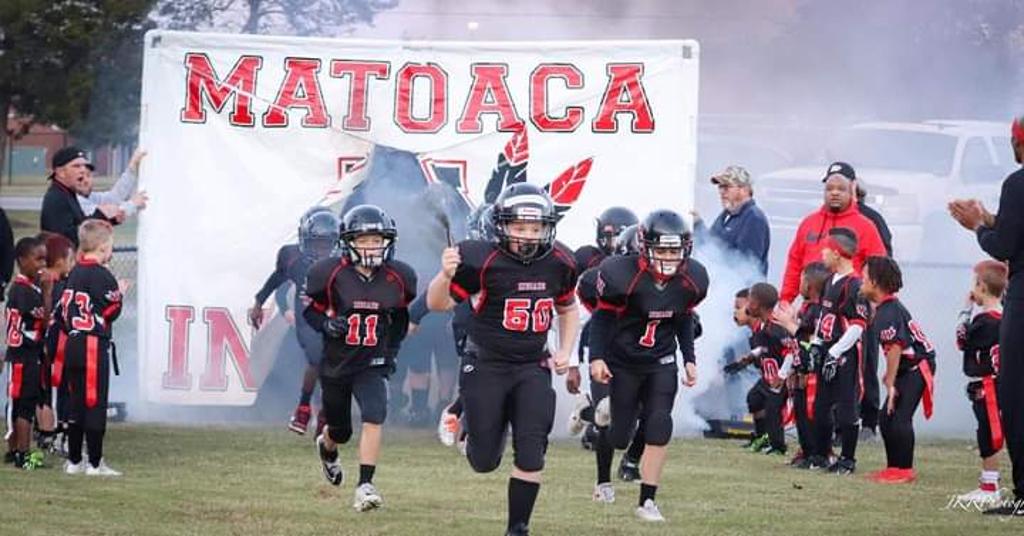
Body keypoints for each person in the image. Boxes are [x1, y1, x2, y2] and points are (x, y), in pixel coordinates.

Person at [426, 183, 579, 536]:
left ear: (547, 227)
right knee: (484, 461)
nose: (528, 235)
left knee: (532, 450)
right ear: (502, 226)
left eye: (535, 228)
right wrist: (444, 274)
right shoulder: (481, 259)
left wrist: (565, 351)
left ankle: (517, 529)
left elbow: (567, 307)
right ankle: (469, 430)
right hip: (486, 366)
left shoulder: (560, 261)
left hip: (532, 366)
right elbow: (439, 304)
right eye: (520, 227)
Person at [589, 209, 706, 523]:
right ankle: (602, 481)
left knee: (659, 426)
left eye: (674, 250)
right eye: (662, 249)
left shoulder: (692, 279)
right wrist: (596, 357)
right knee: (619, 436)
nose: (669, 257)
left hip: (661, 361)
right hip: (624, 362)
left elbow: (683, 318)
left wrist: (689, 359)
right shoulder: (620, 275)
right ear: (645, 246)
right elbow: (601, 320)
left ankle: (647, 501)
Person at [305, 204, 416, 512]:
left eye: (377, 239)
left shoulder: (399, 277)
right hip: (337, 364)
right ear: (348, 241)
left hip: (372, 362)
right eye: (364, 240)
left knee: (374, 414)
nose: (371, 246)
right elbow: (310, 312)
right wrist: (327, 324)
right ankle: (327, 447)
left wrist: (390, 353)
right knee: (341, 431)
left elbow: (400, 320)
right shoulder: (330, 273)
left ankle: (365, 485)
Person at [949, 115, 1024, 516]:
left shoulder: (1017, 182)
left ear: (1017, 143)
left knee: (1014, 396)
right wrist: (993, 219)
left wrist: (978, 227)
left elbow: (1007, 245)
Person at [249, 207, 340, 436]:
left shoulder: (343, 261)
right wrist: (259, 302)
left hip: (334, 317)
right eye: (316, 244)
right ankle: (304, 406)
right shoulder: (291, 256)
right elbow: (277, 279)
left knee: (335, 367)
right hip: (307, 318)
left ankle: (323, 415)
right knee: (318, 357)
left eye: (326, 244)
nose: (321, 250)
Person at [860, 256, 935, 484]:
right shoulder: (886, 308)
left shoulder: (888, 311)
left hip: (916, 367)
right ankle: (893, 467)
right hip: (906, 368)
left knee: (901, 417)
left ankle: (905, 470)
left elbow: (895, 347)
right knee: (886, 417)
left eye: (863, 279)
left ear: (874, 282)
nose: (860, 283)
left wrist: (890, 381)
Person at [805, 227, 871, 474]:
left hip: (845, 355)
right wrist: (817, 346)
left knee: (846, 406)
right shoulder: (828, 282)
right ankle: (822, 455)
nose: (821, 253)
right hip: (828, 350)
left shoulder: (854, 285)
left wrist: (836, 352)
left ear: (837, 253)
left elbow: (858, 324)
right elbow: (824, 319)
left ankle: (848, 459)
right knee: (821, 407)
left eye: (825, 249)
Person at [61, 220, 124, 476]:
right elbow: (111, 311)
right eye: (109, 247)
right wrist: (120, 293)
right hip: (92, 345)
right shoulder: (102, 275)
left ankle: (74, 460)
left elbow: (65, 312)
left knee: (76, 403)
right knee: (94, 403)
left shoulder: (74, 272)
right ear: (101, 247)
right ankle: (95, 463)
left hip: (72, 343)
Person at [779, 162, 887, 304]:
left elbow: (880, 269)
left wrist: (880, 305)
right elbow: (794, 264)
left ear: (851, 191)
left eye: (841, 189)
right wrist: (785, 300)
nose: (834, 193)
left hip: (848, 304)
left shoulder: (866, 226)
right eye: (829, 189)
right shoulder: (808, 223)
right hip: (812, 304)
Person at [724, 283, 796, 456]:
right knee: (755, 399)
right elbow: (764, 348)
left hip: (781, 377)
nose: (746, 308)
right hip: (770, 377)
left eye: (748, 303)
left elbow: (791, 350)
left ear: (756, 304)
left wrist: (782, 374)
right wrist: (749, 358)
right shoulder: (763, 327)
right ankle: (764, 436)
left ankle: (777, 445)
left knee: (773, 409)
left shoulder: (776, 327)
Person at [956, 261, 1007, 501]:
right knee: (990, 431)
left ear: (982, 287)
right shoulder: (1006, 317)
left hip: (987, 385)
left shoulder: (984, 321)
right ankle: (990, 481)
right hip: (1000, 383)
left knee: (988, 433)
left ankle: (990, 486)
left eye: (974, 285)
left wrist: (966, 308)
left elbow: (961, 339)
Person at [773, 262, 830, 468]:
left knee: (812, 414)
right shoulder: (805, 308)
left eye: (802, 279)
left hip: (812, 372)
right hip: (799, 370)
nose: (799, 283)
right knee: (800, 414)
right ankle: (806, 453)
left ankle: (819, 454)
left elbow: (810, 337)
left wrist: (789, 323)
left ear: (811, 285)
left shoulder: (819, 311)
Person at [3, 237, 50, 469]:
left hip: (24, 355)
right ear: (22, 261)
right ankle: (23, 454)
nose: (43, 263)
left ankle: (15, 451)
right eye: (38, 258)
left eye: (45, 258)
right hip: (24, 356)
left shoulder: (26, 289)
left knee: (20, 404)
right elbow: (46, 319)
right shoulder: (24, 292)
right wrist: (48, 291)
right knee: (24, 406)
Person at [694, 165, 771, 276]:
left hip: (740, 290)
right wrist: (698, 225)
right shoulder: (726, 215)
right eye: (720, 187)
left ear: (744, 189)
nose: (721, 192)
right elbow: (711, 246)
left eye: (727, 187)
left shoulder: (754, 218)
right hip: (722, 287)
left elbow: (746, 265)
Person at [40, 147, 120, 246]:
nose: (83, 170)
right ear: (61, 173)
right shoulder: (56, 198)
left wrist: (109, 219)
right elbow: (68, 238)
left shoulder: (69, 194)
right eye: (76, 166)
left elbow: (80, 224)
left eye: (84, 166)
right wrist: (100, 215)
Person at [77, 148, 149, 221]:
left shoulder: (88, 197)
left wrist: (132, 167)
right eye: (80, 176)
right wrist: (132, 204)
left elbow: (113, 198)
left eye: (88, 175)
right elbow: (102, 214)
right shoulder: (73, 200)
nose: (85, 180)